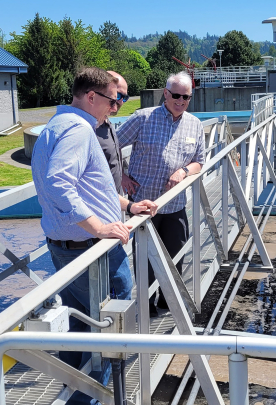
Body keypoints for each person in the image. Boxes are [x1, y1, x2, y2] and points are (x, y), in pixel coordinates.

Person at [31, 67, 157, 405]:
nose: (114, 108)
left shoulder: (54, 126)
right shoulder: (79, 131)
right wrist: (100, 228)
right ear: (91, 97)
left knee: (78, 327)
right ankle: (97, 398)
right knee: (110, 326)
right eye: (112, 101)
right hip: (92, 250)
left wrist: (129, 206)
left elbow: (91, 187)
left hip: (65, 246)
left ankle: (76, 394)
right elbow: (59, 183)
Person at [117, 71, 205, 315]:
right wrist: (122, 176)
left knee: (176, 257)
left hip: (174, 205)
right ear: (165, 93)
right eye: (175, 95)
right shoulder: (143, 118)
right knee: (144, 261)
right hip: (143, 207)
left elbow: (200, 162)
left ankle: (169, 305)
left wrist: (184, 171)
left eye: (185, 97)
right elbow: (111, 147)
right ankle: (147, 307)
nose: (180, 101)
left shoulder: (195, 124)